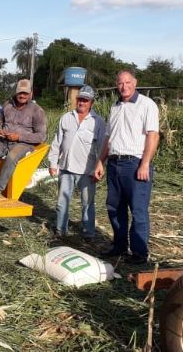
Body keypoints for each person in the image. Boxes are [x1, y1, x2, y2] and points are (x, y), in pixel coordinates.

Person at [94, 70, 159, 264]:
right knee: (115, 207)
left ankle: (139, 253)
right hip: (114, 163)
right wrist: (100, 161)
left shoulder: (147, 105)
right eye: (120, 83)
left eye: (128, 82)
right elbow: (108, 138)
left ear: (135, 82)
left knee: (138, 210)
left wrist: (145, 163)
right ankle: (120, 245)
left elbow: (152, 135)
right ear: (117, 84)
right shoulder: (115, 107)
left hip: (135, 164)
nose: (124, 86)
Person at [0, 79, 47, 201]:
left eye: (25, 93)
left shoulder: (37, 110)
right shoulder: (7, 105)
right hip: (3, 143)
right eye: (20, 93)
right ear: (16, 92)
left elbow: (41, 136)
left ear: (31, 94)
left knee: (11, 157)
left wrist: (19, 137)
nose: (22, 95)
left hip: (23, 144)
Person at [48, 85, 106, 241]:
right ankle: (60, 231)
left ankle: (89, 234)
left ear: (91, 103)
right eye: (80, 99)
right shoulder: (66, 117)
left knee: (87, 203)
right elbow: (57, 142)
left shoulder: (98, 122)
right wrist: (53, 163)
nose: (82, 103)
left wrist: (99, 167)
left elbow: (102, 147)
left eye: (85, 100)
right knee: (62, 202)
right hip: (66, 168)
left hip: (87, 171)